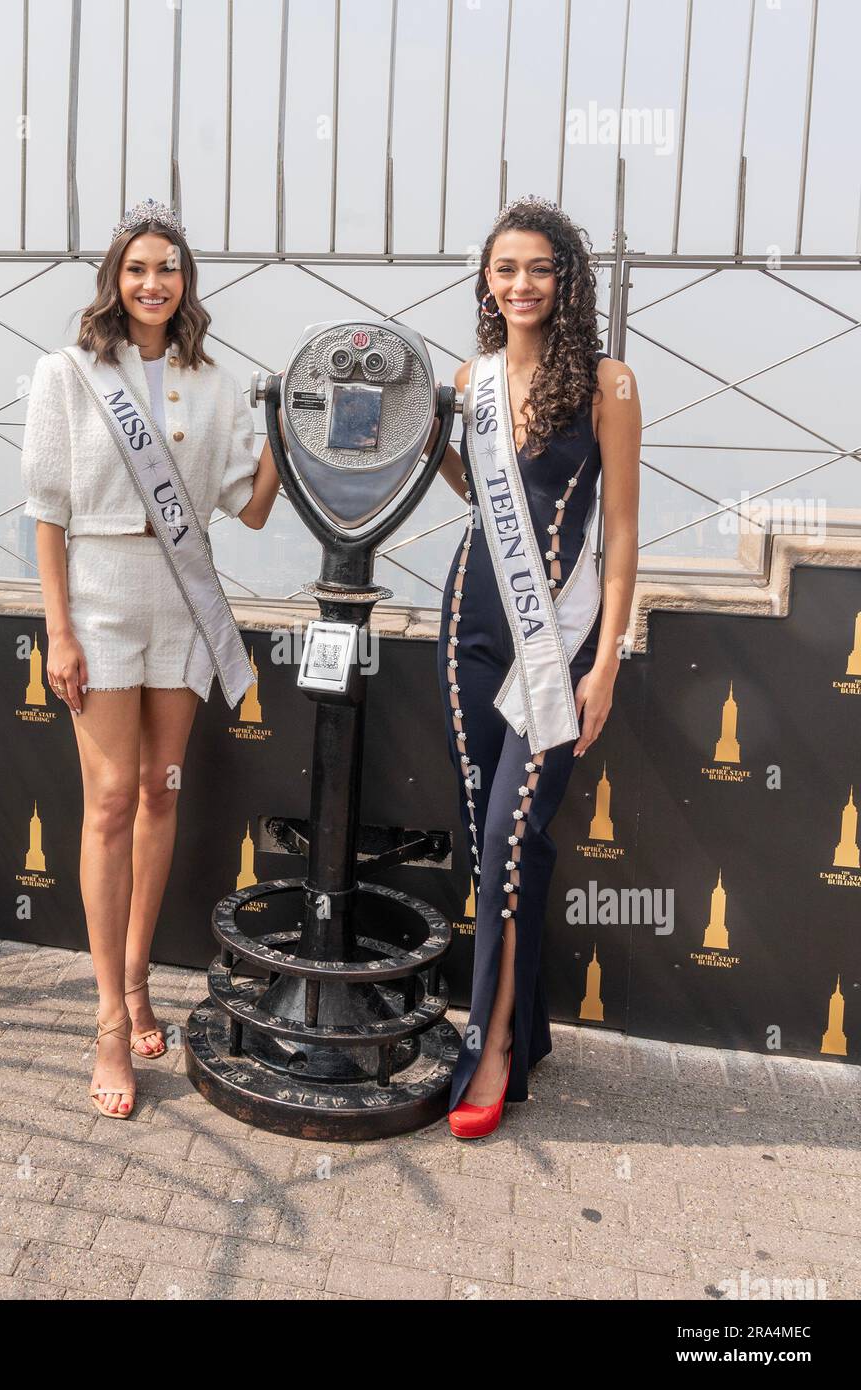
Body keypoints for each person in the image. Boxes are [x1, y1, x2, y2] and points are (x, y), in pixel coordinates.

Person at [20, 198, 280, 1119]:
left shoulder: (217, 380)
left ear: (185, 279)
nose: (153, 282)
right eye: (137, 268)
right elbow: (46, 514)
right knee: (109, 800)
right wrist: (58, 631)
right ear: (114, 278)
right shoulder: (69, 374)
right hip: (98, 598)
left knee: (162, 790)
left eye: (167, 267)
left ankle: (137, 985)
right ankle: (103, 1019)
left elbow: (249, 508)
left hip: (181, 601)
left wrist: (282, 425)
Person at [434, 195, 640, 1139]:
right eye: (506, 268)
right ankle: (529, 1026)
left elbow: (627, 531)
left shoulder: (610, 382)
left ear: (568, 280)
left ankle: (491, 1050)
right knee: (498, 839)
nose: (522, 284)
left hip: (556, 635)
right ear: (488, 279)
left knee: (509, 847)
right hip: (470, 622)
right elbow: (475, 490)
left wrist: (607, 664)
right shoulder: (470, 376)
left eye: (540, 269)